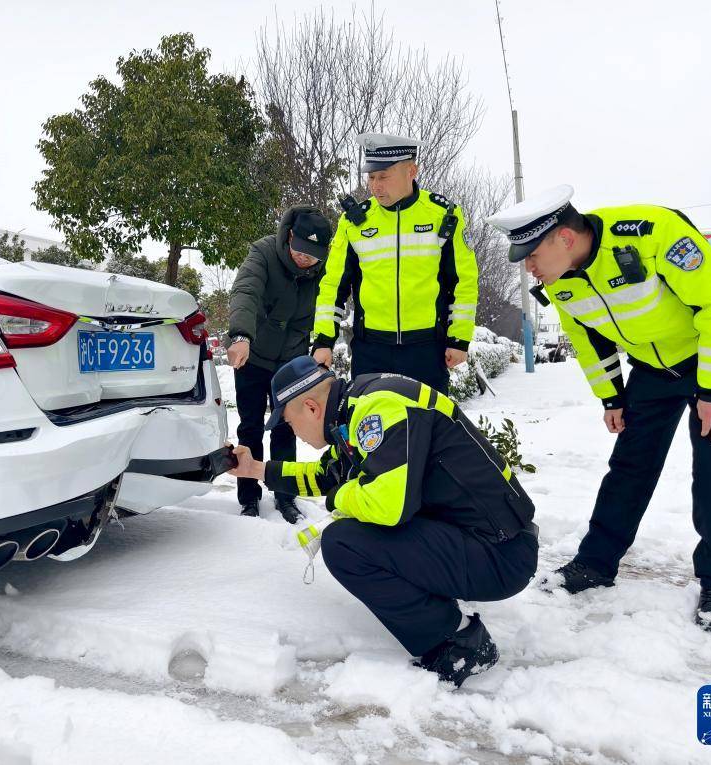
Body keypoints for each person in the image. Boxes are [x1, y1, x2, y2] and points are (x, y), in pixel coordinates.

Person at [488, 185, 711, 632]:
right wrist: (612, 396)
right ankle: (595, 563)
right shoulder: (560, 282)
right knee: (630, 463)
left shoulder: (652, 233)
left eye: (532, 254)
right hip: (654, 366)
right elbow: (587, 341)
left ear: (566, 239)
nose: (528, 267)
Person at [228, 356, 538, 686]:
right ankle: (443, 612)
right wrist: (256, 471)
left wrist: (339, 497)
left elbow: (388, 507)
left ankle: (460, 643)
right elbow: (326, 475)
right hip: (487, 540)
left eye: (289, 423)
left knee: (344, 543)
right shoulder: (356, 409)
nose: (294, 433)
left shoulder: (379, 409)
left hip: (499, 555)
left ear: (311, 408)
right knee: (357, 527)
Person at [310, 133, 478, 393]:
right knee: (372, 430)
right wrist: (323, 340)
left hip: (426, 352)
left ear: (411, 170)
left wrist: (459, 339)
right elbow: (333, 286)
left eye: (383, 176)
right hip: (371, 352)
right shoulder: (354, 223)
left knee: (428, 429)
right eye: (371, 177)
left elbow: (463, 282)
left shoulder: (444, 216)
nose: (375, 186)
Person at [227, 207, 333, 523]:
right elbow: (246, 292)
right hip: (254, 355)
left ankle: (285, 496)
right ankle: (248, 497)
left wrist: (324, 342)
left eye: (313, 254)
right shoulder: (262, 253)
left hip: (291, 363)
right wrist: (242, 335)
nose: (304, 258)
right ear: (289, 236)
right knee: (250, 427)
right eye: (300, 249)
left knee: (287, 428)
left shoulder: (326, 271)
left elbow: (332, 305)